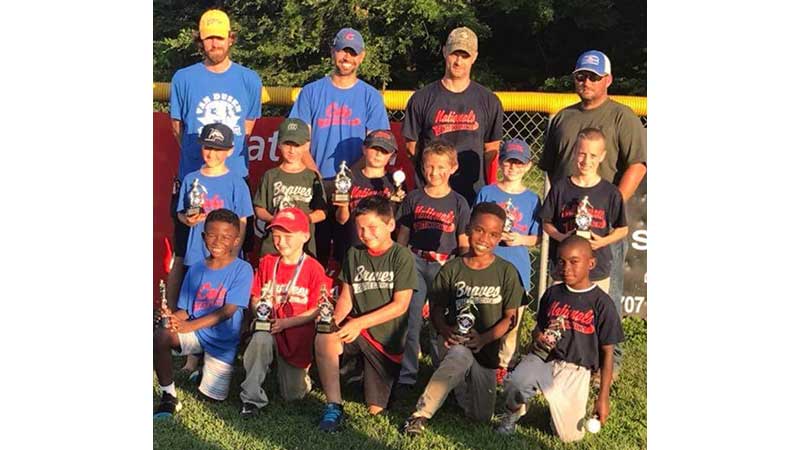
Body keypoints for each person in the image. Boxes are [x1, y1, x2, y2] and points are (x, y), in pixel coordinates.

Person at [538, 50, 646, 376]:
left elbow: (637, 166)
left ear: (608, 80)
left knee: (605, 299)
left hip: (601, 229)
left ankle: (605, 368)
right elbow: (550, 170)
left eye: (594, 77)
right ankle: (558, 353)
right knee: (562, 292)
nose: (586, 82)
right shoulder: (562, 118)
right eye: (581, 76)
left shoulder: (621, 117)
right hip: (567, 227)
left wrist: (611, 206)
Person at [166, 7, 261, 312]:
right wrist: (202, 160)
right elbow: (178, 128)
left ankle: (232, 317)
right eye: (208, 39)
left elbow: (246, 129)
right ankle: (171, 319)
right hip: (194, 177)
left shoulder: (249, 79)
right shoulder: (183, 78)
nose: (214, 44)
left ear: (230, 39)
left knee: (235, 249)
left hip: (233, 176)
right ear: (200, 41)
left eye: (220, 38)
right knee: (184, 251)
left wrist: (223, 159)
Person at [402, 202, 524, 436]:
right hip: (457, 342)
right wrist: (445, 330)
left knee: (479, 416)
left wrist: (484, 338)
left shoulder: (506, 271)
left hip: (486, 350)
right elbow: (437, 308)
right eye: (479, 230)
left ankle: (457, 385)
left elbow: (511, 318)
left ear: (500, 237)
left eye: (493, 234)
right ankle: (420, 415)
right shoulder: (452, 268)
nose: (484, 238)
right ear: (468, 228)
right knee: (459, 355)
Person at [495, 235, 624, 442]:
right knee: (516, 383)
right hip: (544, 358)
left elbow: (608, 351)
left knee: (568, 437)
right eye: (561, 261)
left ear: (591, 263)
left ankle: (557, 411)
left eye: (574, 262)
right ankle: (513, 412)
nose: (566, 268)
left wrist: (603, 397)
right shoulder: (553, 293)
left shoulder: (602, 303)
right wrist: (539, 337)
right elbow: (538, 329)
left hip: (576, 369)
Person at [289, 27, 390, 269]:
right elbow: (299, 141)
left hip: (356, 184)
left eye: (352, 53)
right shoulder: (312, 92)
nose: (347, 58)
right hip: (316, 181)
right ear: (333, 52)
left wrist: (348, 178)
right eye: (342, 51)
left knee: (352, 253)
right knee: (314, 252)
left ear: (361, 56)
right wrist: (317, 177)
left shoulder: (370, 96)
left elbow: (377, 144)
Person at [315, 196, 416, 432]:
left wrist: (359, 323)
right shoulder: (354, 253)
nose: (366, 234)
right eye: (360, 228)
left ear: (390, 225)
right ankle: (334, 406)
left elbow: (400, 305)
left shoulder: (401, 256)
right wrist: (332, 322)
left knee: (375, 409)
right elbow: (347, 297)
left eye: (372, 227)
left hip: (385, 343)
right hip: (356, 331)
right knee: (324, 337)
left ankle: (361, 376)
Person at [154, 208, 254, 418]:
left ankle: (203, 369)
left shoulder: (242, 269)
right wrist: (171, 318)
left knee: (211, 399)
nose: (218, 241)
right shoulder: (197, 268)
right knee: (161, 334)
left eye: (226, 237)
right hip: (197, 334)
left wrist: (189, 325)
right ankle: (168, 396)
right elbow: (186, 310)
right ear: (203, 236)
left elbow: (227, 311)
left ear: (236, 240)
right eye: (212, 234)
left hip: (222, 341)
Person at [239, 208, 331, 417]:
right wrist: (260, 312)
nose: (281, 242)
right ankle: (251, 399)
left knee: (293, 395)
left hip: (296, 336)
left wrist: (286, 323)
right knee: (260, 338)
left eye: (288, 236)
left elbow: (318, 308)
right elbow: (255, 297)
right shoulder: (267, 262)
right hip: (269, 328)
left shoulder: (314, 268)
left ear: (305, 236)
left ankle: (303, 379)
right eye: (276, 236)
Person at [395, 141, 470, 389]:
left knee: (442, 321)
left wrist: (462, 267)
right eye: (429, 167)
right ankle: (407, 374)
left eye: (441, 167)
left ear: (453, 168)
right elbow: (403, 235)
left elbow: (462, 241)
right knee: (411, 318)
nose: (434, 172)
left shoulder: (458, 202)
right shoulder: (414, 197)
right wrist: (401, 262)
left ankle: (441, 372)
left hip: (445, 265)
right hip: (416, 261)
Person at [402, 26, 503, 205]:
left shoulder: (489, 100)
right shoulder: (422, 98)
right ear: (444, 52)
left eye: (465, 55)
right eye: (454, 54)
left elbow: (491, 150)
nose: (458, 61)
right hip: (431, 190)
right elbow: (412, 149)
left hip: (471, 192)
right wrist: (435, 172)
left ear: (475, 57)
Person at [474, 138, 541, 382]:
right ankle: (479, 359)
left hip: (517, 266)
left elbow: (538, 238)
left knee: (512, 321)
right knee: (483, 313)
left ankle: (505, 363)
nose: (513, 168)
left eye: (519, 163)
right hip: (487, 262)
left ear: (528, 166)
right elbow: (474, 225)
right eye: (508, 162)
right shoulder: (488, 191)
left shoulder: (532, 199)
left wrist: (520, 239)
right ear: (500, 163)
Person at [539, 129, 628, 296]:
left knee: (592, 315)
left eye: (593, 155)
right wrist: (563, 237)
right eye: (582, 154)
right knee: (560, 311)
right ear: (574, 152)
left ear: (602, 156)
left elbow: (622, 229)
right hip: (564, 268)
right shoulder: (561, 187)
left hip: (596, 267)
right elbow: (546, 222)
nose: (587, 160)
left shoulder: (610, 192)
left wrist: (602, 242)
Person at [176, 123, 254, 269]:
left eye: (218, 149)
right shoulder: (190, 179)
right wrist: (187, 220)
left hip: (226, 255)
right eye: (208, 147)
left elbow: (242, 222)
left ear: (230, 151)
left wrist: (234, 255)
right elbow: (181, 213)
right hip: (196, 256)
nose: (212, 154)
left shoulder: (237, 183)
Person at [253, 118, 326, 258]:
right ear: (279, 144)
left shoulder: (312, 177)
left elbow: (322, 212)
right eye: (287, 144)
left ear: (306, 146)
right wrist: (275, 219)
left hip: (303, 245)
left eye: (297, 145)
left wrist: (303, 220)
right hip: (273, 244)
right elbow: (259, 208)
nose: (292, 150)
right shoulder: (270, 175)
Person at [333, 129, 407, 262]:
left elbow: (398, 223)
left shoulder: (395, 183)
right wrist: (343, 206)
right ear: (364, 149)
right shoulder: (348, 179)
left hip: (383, 253)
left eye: (384, 151)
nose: (378, 154)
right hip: (351, 248)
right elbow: (341, 220)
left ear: (391, 155)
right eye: (374, 148)